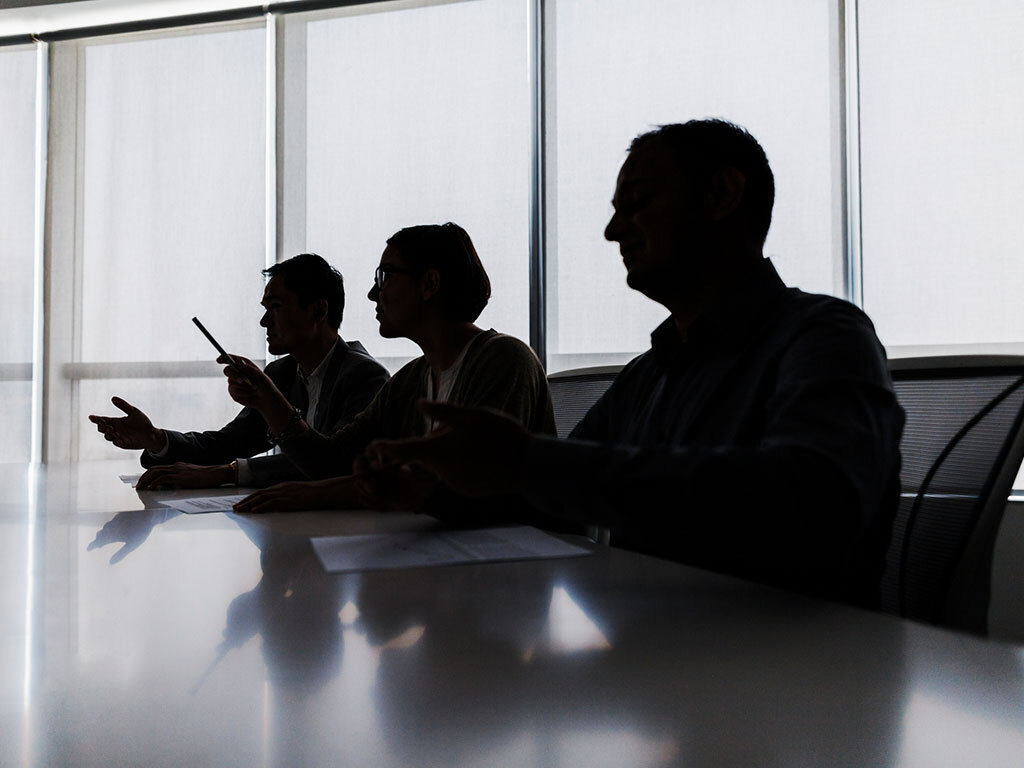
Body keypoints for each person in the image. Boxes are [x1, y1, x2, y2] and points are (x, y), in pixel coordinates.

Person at [363, 119, 905, 609]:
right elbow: (554, 498)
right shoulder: (651, 373)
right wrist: (434, 495)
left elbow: (812, 502)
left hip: (798, 679)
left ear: (721, 195)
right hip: (663, 665)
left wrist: (528, 462)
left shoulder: (826, 335)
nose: (612, 230)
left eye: (637, 201)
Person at [222, 222, 554, 513]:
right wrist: (267, 399)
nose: (371, 293)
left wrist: (321, 493)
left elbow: (471, 486)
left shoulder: (505, 360)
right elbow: (332, 461)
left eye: (385, 275)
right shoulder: (410, 380)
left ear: (429, 284)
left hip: (516, 566)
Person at [89, 253, 389, 489]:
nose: (263, 322)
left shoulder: (365, 377)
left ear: (318, 311)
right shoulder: (282, 373)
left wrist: (227, 473)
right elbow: (227, 444)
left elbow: (332, 464)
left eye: (275, 306)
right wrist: (156, 439)